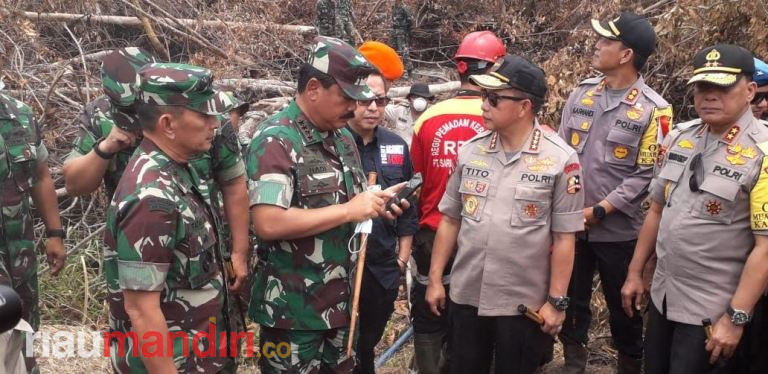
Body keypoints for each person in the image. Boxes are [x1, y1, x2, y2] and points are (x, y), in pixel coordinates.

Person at [245, 36, 410, 373]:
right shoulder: (277, 140)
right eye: (347, 98)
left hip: (342, 306)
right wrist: (351, 210)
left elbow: (351, 204)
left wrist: (377, 204)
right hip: (293, 313)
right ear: (314, 88)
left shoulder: (342, 139)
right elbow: (268, 222)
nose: (354, 108)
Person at [425, 54, 584, 374]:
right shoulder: (471, 150)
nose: (484, 104)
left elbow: (565, 238)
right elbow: (451, 219)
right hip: (466, 295)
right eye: (484, 96)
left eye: (494, 98)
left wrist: (557, 303)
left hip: (521, 305)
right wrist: (434, 280)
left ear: (524, 106)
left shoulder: (560, 160)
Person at [62, 47, 250, 307]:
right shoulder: (101, 116)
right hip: (141, 248)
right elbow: (74, 184)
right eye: (130, 110)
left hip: (205, 250)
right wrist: (105, 148)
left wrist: (240, 252)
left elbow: (233, 183)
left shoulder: (199, 114)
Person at [621, 44, 768, 374]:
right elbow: (656, 210)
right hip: (663, 297)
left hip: (713, 311)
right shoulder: (678, 138)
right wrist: (635, 272)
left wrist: (736, 317)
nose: (709, 96)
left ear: (749, 91)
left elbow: (766, 248)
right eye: (702, 87)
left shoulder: (763, 154)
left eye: (721, 87)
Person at [102, 63, 240, 373]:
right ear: (168, 124)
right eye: (204, 116)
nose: (215, 124)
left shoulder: (177, 169)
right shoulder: (151, 197)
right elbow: (141, 310)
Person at [556, 12, 673, 373]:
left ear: (626, 54)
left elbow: (649, 175)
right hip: (572, 225)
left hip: (620, 232)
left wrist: (601, 210)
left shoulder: (656, 110)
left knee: (626, 306)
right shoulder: (580, 94)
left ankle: (628, 365)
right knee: (570, 302)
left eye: (606, 42)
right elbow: (561, 155)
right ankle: (574, 363)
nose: (597, 46)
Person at [409, 30, 504, 374]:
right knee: (478, 315)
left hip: (433, 231)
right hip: (482, 235)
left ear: (459, 68)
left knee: (428, 313)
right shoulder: (502, 116)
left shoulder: (427, 118)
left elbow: (416, 182)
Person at [347, 71, 418, 374]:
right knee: (344, 338)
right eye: (365, 100)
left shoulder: (396, 146)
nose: (373, 107)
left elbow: (409, 207)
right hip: (342, 262)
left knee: (368, 339)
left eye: (380, 100)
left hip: (383, 263)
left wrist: (402, 260)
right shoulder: (334, 143)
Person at [0, 56, 67, 374]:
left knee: (24, 326)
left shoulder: (20, 116)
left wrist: (55, 234)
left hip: (20, 254)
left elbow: (41, 176)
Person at [391, 0, 413, 76]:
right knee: (393, 50)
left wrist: (406, 29)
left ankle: (409, 69)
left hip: (401, 31)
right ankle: (396, 69)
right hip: (394, 31)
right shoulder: (393, 7)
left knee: (403, 50)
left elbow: (410, 20)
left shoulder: (404, 8)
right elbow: (393, 19)